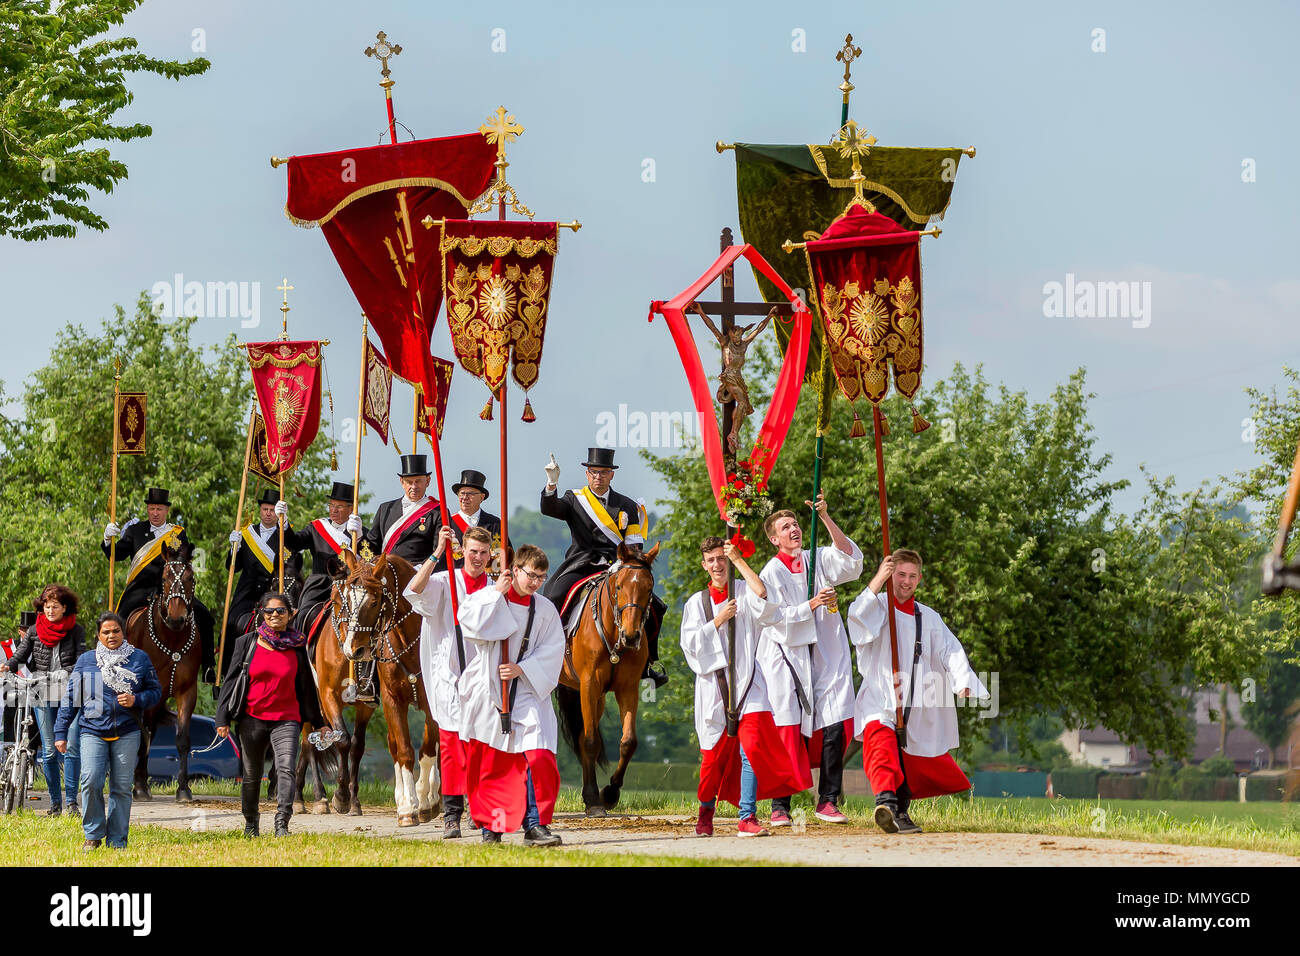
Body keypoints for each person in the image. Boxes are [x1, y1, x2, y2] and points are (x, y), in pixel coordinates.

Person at [847, 551, 989, 833]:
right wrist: (878, 580)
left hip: (915, 699)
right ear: (890, 575)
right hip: (880, 692)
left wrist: (962, 680)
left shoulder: (929, 617)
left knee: (907, 756)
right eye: (900, 575)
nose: (906, 582)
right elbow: (857, 617)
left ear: (919, 579)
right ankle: (885, 803)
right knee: (880, 745)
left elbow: (950, 650)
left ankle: (900, 811)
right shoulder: (878, 608)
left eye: (912, 576)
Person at [681, 537, 808, 837]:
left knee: (751, 749)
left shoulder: (743, 591)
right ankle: (705, 812)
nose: (716, 565)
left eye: (720, 559)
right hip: (714, 689)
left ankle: (746, 816)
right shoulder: (696, 603)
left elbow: (763, 594)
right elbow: (691, 645)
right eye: (711, 560)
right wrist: (719, 620)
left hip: (749, 683)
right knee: (713, 761)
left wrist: (738, 559)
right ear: (704, 565)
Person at [758, 492, 863, 826]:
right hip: (791, 660)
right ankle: (780, 805)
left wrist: (825, 518)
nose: (794, 529)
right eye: (785, 527)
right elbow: (773, 618)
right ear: (774, 538)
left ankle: (828, 800)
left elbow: (850, 561)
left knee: (836, 725)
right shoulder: (771, 573)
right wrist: (811, 605)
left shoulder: (817, 557)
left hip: (828, 654)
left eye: (797, 524)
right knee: (791, 729)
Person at [458, 545, 566, 847]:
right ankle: (492, 827)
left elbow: (554, 649)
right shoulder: (490, 597)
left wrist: (522, 668)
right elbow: (470, 624)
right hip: (490, 688)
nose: (535, 583)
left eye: (541, 578)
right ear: (515, 569)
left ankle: (536, 825)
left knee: (539, 755)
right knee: (492, 761)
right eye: (531, 575)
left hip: (530, 688)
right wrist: (495, 593)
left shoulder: (544, 608)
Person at [539, 447, 667, 687]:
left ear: (611, 475)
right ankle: (547, 652)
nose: (598, 477)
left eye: (604, 472)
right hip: (582, 563)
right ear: (587, 474)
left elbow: (635, 544)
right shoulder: (574, 498)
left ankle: (649, 663)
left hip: (618, 566)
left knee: (655, 606)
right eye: (594, 472)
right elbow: (550, 509)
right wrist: (551, 484)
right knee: (552, 595)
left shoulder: (627, 505)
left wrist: (625, 561)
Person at [405, 525, 494, 838]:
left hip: (483, 677)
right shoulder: (445, 581)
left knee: (480, 747)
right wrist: (437, 554)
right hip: (450, 676)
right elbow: (414, 590)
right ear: (463, 551)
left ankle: (478, 807)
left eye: (484, 553)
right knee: (452, 748)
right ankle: (452, 815)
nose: (478, 558)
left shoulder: (494, 587)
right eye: (473, 552)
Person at [215, 591, 326, 837]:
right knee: (252, 775)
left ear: (290, 614)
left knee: (286, 769)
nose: (275, 615)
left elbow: (307, 686)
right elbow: (231, 681)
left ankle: (281, 823)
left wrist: (319, 723)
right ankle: (251, 823)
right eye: (270, 611)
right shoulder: (247, 642)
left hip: (287, 719)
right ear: (262, 614)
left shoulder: (298, 645)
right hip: (251, 719)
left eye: (281, 611)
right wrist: (221, 718)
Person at [54, 612, 161, 850]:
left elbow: (156, 693)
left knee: (121, 787)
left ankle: (117, 841)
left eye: (116, 631)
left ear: (124, 633)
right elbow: (71, 698)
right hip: (92, 729)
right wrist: (60, 732)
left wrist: (136, 699)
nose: (111, 636)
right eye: (106, 632)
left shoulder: (139, 659)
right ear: (98, 635)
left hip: (127, 731)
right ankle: (92, 834)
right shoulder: (86, 661)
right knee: (90, 781)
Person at [103, 486, 217, 682]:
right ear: (148, 509)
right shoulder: (135, 530)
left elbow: (183, 561)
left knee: (205, 615)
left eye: (159, 509)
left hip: (171, 587)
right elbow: (117, 555)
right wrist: (108, 539)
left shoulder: (177, 534)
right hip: (139, 588)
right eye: (152, 509)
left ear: (167, 510)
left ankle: (208, 666)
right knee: (117, 619)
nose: (155, 513)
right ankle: (112, 665)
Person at [1, 585, 86, 817]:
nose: (50, 610)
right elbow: (21, 654)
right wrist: (8, 665)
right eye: (47, 606)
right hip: (42, 693)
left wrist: (64, 673)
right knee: (48, 751)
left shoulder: (76, 630)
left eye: (55, 607)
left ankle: (72, 804)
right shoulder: (34, 630)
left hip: (70, 694)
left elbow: (79, 661)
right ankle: (56, 805)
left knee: (70, 749)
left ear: (64, 607)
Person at [223, 488, 295, 675]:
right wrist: (234, 549)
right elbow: (233, 567)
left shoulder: (284, 535)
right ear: (260, 510)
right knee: (230, 623)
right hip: (247, 592)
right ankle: (224, 670)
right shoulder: (247, 533)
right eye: (265, 509)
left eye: (272, 510)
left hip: (272, 593)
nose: (268, 514)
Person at [282, 481, 365, 637]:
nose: (333, 510)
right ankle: (299, 653)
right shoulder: (317, 528)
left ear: (351, 508)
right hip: (320, 584)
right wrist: (284, 523)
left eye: (339, 507)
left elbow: (369, 560)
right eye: (331, 505)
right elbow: (294, 543)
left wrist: (359, 539)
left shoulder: (360, 532)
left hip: (349, 586)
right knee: (303, 615)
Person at [352, 454, 443, 568]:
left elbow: (440, 551)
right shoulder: (385, 509)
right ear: (402, 482)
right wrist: (359, 536)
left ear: (428, 481)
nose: (414, 486)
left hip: (418, 576)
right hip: (386, 577)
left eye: (418, 481)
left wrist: (421, 570)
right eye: (409, 482)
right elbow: (371, 550)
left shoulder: (438, 512)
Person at [448, 469, 508, 571]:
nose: (465, 497)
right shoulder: (448, 522)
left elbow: (504, 555)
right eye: (462, 493)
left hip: (486, 581)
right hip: (457, 580)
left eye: (470, 494)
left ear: (481, 497)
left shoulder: (494, 523)